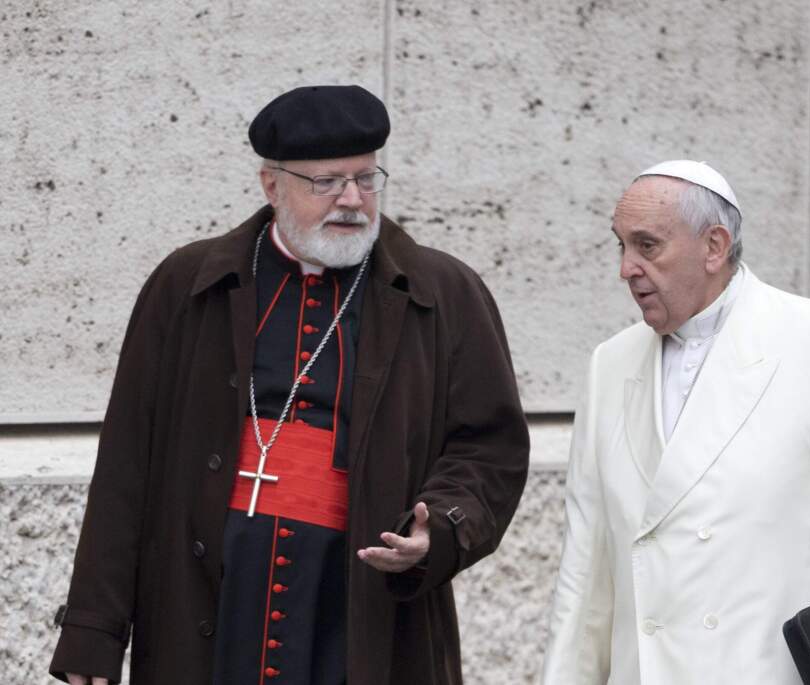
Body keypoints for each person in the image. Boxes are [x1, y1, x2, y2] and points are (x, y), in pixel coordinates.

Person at [49, 85, 529, 685]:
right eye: (326, 182)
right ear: (271, 186)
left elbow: (490, 447)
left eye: (365, 179)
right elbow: (127, 462)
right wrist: (94, 631)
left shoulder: (445, 293)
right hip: (211, 605)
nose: (352, 200)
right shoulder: (187, 285)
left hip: (357, 605)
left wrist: (442, 531)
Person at [541, 160, 810, 683]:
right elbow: (585, 579)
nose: (626, 267)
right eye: (620, 245)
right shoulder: (609, 364)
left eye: (647, 246)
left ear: (714, 246)